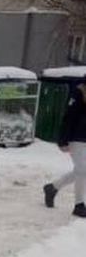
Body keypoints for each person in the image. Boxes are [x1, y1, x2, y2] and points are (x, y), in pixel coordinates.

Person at [44, 83, 86, 217]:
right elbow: (69, 116)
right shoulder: (79, 91)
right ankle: (79, 205)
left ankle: (53, 187)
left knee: (81, 171)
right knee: (82, 170)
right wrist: (63, 139)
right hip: (77, 137)